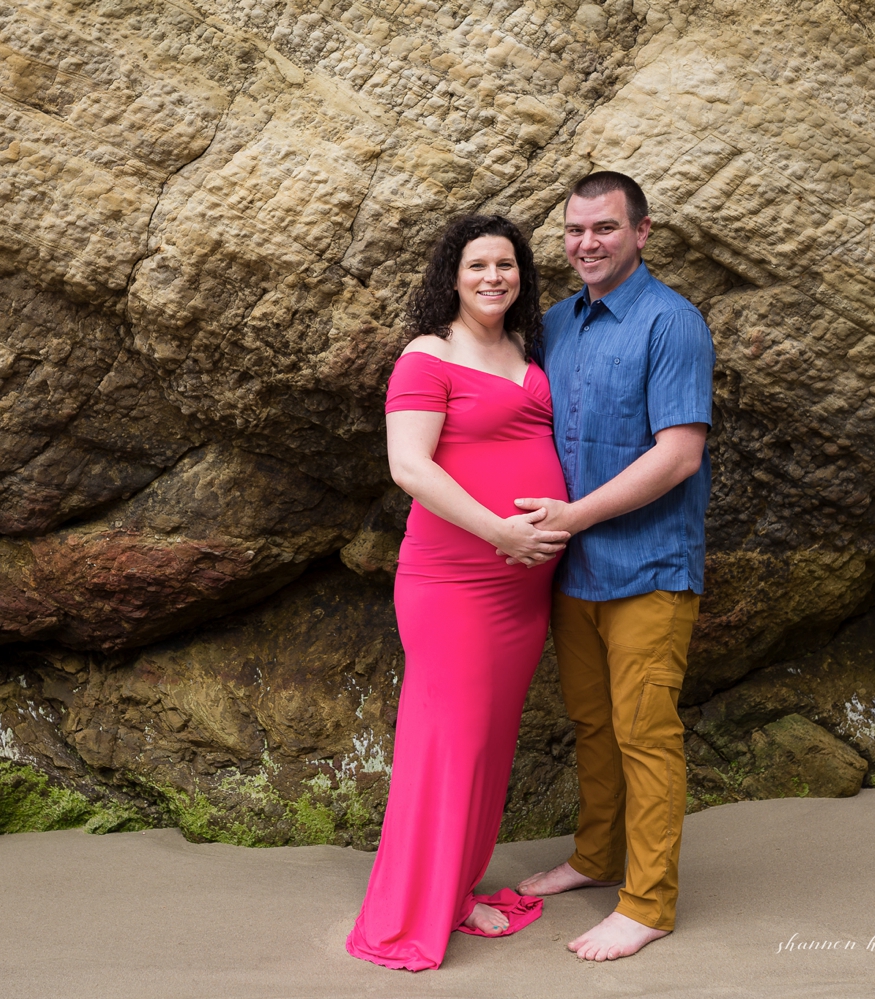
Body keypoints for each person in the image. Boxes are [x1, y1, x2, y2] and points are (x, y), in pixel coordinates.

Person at [345, 215, 571, 971]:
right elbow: (410, 466)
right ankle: (410, 911)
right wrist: (500, 534)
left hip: (520, 594)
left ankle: (457, 885)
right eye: (478, 265)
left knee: (487, 745)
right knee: (447, 743)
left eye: (506, 265)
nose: (493, 278)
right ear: (453, 274)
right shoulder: (426, 354)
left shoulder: (524, 350)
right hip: (455, 581)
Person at [513, 172, 715, 962]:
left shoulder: (673, 323)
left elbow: (678, 455)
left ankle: (649, 902)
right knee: (593, 727)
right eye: (574, 230)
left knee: (645, 735)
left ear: (642, 232)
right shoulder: (557, 324)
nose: (586, 243)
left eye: (603, 227)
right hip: (574, 573)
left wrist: (573, 517)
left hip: (651, 569)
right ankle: (598, 857)